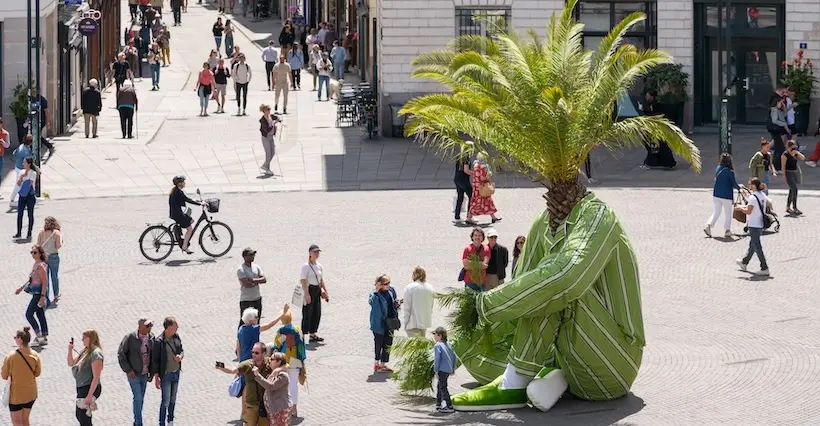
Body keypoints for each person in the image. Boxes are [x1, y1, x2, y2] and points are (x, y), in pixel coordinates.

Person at [216, 342, 271, 426]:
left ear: (263, 353)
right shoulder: (247, 365)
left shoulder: (269, 364)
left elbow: (285, 365)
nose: (253, 354)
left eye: (256, 353)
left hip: (265, 405)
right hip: (251, 405)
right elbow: (233, 370)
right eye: (252, 352)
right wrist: (222, 367)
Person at [117, 318, 154, 426]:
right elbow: (121, 354)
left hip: (145, 373)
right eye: (147, 326)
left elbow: (154, 355)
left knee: (141, 399)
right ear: (140, 327)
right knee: (137, 398)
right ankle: (139, 423)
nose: (149, 328)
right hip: (134, 374)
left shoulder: (151, 337)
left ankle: (136, 421)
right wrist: (128, 370)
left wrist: (152, 372)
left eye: (150, 326)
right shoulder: (130, 338)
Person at [2, 327, 41, 426]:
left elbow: (4, 375)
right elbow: (37, 373)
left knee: (17, 422)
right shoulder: (35, 355)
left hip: (16, 395)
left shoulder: (11, 357)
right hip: (30, 393)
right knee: (25, 419)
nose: (15, 339)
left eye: (15, 337)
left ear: (20, 339)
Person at [272, 310, 306, 418]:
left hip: (284, 361)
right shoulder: (297, 329)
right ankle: (294, 408)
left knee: (284, 385)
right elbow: (302, 345)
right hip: (295, 360)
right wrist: (302, 359)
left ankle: (285, 408)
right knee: (293, 385)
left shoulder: (281, 331)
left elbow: (276, 345)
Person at [151, 317, 184, 426]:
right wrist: (156, 377)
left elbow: (181, 350)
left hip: (176, 372)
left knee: (173, 399)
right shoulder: (159, 341)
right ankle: (161, 423)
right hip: (166, 375)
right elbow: (155, 360)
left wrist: (180, 356)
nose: (177, 328)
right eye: (175, 326)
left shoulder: (176, 337)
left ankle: (170, 421)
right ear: (169, 327)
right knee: (165, 401)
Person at [67, 329, 104, 426]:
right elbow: (71, 362)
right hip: (82, 387)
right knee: (81, 416)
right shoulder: (85, 350)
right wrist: (70, 350)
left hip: (88, 387)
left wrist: (89, 396)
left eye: (84, 338)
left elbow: (96, 377)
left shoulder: (96, 354)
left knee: (83, 417)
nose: (82, 340)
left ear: (91, 338)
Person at [736, 178, 770, 276]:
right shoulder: (762, 195)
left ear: (754, 185)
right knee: (752, 245)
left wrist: (740, 208)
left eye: (750, 184)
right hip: (759, 224)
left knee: (757, 246)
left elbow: (749, 211)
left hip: (754, 224)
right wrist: (744, 207)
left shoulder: (752, 197)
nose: (748, 186)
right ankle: (744, 262)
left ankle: (764, 267)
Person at [704, 153, 741, 238]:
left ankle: (708, 225)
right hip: (726, 195)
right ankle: (727, 230)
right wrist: (740, 188)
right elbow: (734, 183)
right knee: (728, 213)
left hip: (716, 194)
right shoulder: (729, 171)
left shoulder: (718, 168)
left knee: (716, 212)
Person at [369, 275, 400, 373]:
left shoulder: (391, 291)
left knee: (388, 343)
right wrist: (376, 291)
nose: (388, 285)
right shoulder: (374, 294)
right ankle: (376, 363)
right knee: (379, 343)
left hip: (390, 321)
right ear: (380, 284)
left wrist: (397, 303)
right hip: (379, 323)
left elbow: (394, 300)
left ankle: (383, 364)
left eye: (389, 283)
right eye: (386, 284)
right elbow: (372, 303)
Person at [300, 244, 329, 343]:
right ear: (310, 253)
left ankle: (312, 333)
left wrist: (325, 291)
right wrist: (306, 294)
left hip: (317, 289)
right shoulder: (306, 266)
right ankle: (304, 335)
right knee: (307, 313)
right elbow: (303, 280)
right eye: (314, 252)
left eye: (318, 252)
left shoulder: (319, 266)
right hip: (309, 289)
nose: (316, 254)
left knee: (317, 312)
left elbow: (321, 280)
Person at [253, 352, 291, 426]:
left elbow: (271, 386)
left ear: (279, 362)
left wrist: (258, 375)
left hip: (280, 410)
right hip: (273, 410)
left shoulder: (283, 376)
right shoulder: (273, 373)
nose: (269, 361)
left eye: (272, 359)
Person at [168, 175, 203, 253]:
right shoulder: (177, 192)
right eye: (183, 182)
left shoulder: (176, 191)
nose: (184, 183)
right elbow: (186, 199)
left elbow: (185, 198)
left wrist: (197, 201)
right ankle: (184, 246)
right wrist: (200, 204)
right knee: (190, 229)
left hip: (176, 213)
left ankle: (179, 234)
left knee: (190, 220)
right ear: (179, 183)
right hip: (177, 214)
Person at [402, 266, 434, 337]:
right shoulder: (430, 288)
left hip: (412, 323)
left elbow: (407, 307)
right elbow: (431, 306)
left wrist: (405, 323)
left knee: (414, 346)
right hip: (424, 322)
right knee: (422, 346)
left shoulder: (410, 288)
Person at [469, 153, 501, 224]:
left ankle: (493, 217)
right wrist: (488, 175)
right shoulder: (483, 167)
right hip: (482, 187)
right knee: (481, 202)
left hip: (476, 187)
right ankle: (469, 217)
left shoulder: (475, 165)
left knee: (482, 201)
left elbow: (475, 175)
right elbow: (483, 177)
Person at [36, 216, 63, 302]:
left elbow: (38, 246)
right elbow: (58, 246)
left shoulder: (41, 232)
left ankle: (46, 295)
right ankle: (56, 294)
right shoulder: (57, 233)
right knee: (54, 276)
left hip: (44, 257)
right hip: (54, 256)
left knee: (45, 277)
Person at [432, 326, 456, 413]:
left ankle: (449, 406)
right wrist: (453, 368)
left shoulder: (437, 345)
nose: (434, 337)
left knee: (443, 387)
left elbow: (437, 359)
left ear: (440, 336)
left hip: (442, 370)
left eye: (435, 335)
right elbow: (454, 357)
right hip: (448, 369)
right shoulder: (448, 344)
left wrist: (436, 370)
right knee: (440, 386)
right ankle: (438, 403)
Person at [14, 158, 39, 240]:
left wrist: (25, 180)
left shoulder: (33, 173)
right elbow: (18, 183)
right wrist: (21, 177)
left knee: (30, 214)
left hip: (29, 196)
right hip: (22, 195)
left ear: (28, 164)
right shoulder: (21, 172)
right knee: (19, 214)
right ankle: (18, 232)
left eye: (24, 162)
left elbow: (30, 184)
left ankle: (29, 233)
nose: (23, 163)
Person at [781, 140, 805, 215]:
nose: (794, 148)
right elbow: (783, 166)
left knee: (791, 190)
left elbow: (803, 158)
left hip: (794, 172)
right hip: (788, 173)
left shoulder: (795, 153)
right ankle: (795, 207)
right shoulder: (785, 154)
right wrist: (784, 176)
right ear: (789, 147)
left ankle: (788, 207)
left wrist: (797, 153)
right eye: (793, 147)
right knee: (795, 189)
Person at [9, 136, 33, 209]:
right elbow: (29, 161)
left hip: (18, 166)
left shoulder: (21, 147)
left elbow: (13, 154)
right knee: (19, 185)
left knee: (20, 184)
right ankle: (12, 201)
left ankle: (16, 200)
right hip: (21, 169)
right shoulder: (26, 151)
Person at [767, 97, 790, 170]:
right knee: (780, 149)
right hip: (775, 130)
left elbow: (785, 115)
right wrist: (783, 124)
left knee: (779, 148)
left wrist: (784, 107)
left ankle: (774, 166)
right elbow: (774, 120)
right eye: (780, 103)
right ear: (776, 103)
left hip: (777, 131)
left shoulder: (778, 110)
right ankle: (775, 166)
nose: (781, 104)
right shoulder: (774, 110)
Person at [453, 147, 473, 222]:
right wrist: (476, 174)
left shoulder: (459, 156)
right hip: (464, 180)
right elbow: (466, 170)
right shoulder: (466, 158)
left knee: (460, 197)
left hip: (457, 179)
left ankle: (457, 216)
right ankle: (469, 216)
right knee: (472, 197)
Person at [258, 104, 279, 175]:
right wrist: (273, 124)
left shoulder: (270, 116)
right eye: (267, 110)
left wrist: (278, 120)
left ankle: (265, 165)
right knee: (268, 153)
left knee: (273, 152)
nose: (269, 111)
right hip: (265, 137)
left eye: (269, 109)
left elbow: (276, 117)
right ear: (264, 111)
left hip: (271, 137)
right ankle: (267, 168)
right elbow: (267, 130)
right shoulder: (263, 120)